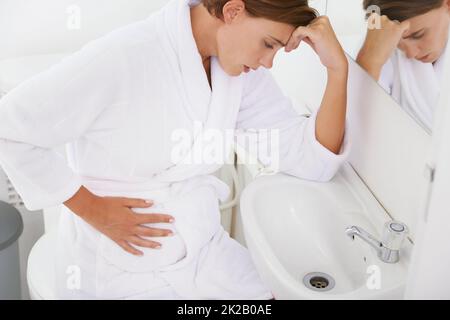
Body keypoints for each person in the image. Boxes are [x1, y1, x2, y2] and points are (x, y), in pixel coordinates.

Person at [0, 0, 349, 299]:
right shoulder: (124, 56)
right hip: (120, 265)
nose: (268, 62)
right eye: (268, 44)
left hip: (202, 249)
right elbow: (9, 128)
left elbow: (310, 159)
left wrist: (337, 69)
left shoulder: (240, 74)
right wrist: (92, 209)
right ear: (233, 11)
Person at [357, 0, 450, 133]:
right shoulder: (381, 51)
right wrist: (370, 59)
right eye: (398, 44)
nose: (411, 54)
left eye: (417, 35)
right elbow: (354, 124)